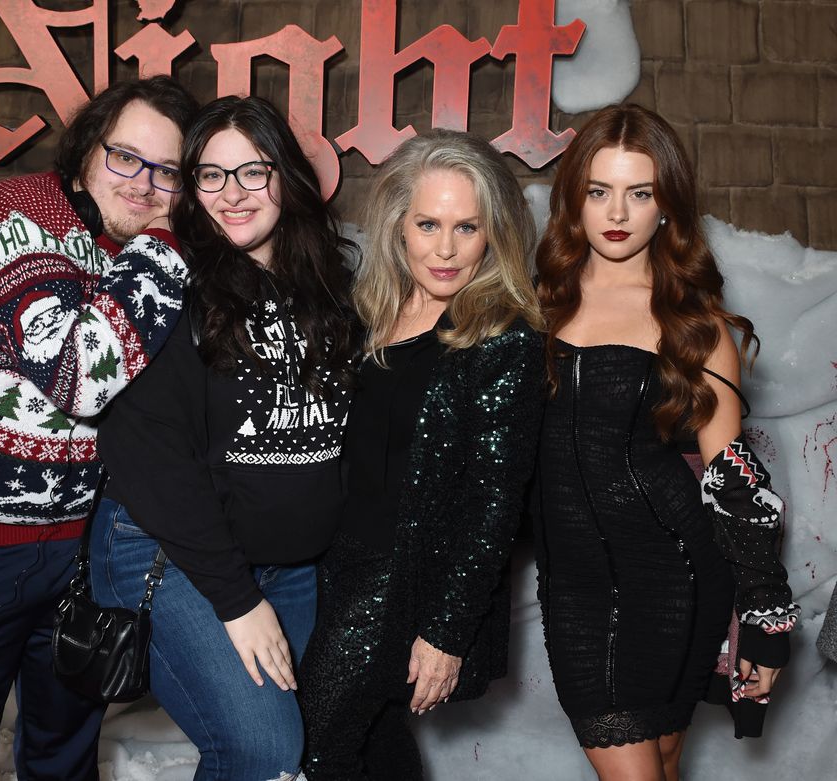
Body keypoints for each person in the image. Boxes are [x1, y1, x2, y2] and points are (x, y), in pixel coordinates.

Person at [0, 75, 199, 781]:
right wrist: (171, 243)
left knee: (64, 759)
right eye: (126, 157)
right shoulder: (18, 213)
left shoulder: (124, 248)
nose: (144, 185)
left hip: (75, 555)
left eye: (168, 171)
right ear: (86, 149)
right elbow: (79, 378)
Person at [90, 95, 358, 781]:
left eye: (252, 172)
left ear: (287, 178)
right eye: (211, 175)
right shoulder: (169, 284)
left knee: (279, 757)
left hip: (291, 568)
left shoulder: (327, 284)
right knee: (261, 749)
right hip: (174, 554)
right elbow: (148, 459)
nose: (232, 195)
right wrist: (236, 600)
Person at [533, 104, 799, 780]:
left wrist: (766, 622)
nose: (616, 211)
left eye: (640, 191)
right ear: (574, 200)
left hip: (679, 580)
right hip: (577, 592)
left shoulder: (696, 326)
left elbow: (735, 480)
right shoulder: (530, 305)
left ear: (667, 206)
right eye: (598, 190)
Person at [298, 129, 546, 780]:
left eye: (467, 227)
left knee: (316, 741)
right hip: (334, 562)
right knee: (373, 743)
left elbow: (492, 509)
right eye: (428, 223)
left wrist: (445, 632)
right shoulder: (368, 313)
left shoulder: (502, 339)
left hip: (406, 582)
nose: (444, 248)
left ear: (492, 234)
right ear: (398, 225)